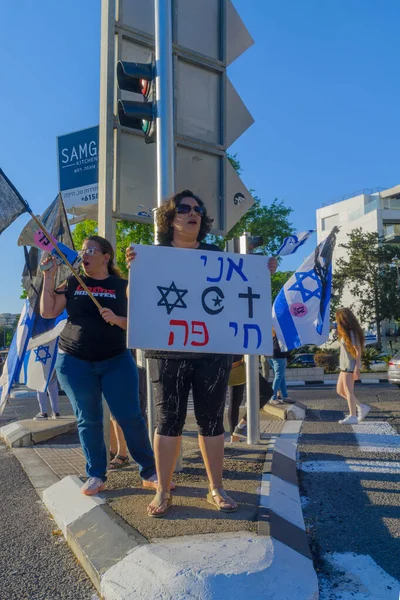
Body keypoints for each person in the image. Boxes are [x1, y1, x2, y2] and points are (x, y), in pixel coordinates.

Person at [126, 190, 277, 518]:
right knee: (169, 421)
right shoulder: (153, 256)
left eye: (197, 209)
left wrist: (263, 271)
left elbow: (240, 295)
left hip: (213, 353)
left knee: (212, 420)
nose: (192, 213)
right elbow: (135, 300)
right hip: (168, 351)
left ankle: (216, 487)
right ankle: (163, 490)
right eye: (183, 209)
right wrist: (134, 272)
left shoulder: (217, 255)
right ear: (170, 217)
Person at [40, 235, 157, 495]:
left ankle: (149, 471)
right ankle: (95, 474)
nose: (84, 255)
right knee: (88, 420)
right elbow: (48, 312)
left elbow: (142, 321)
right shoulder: (72, 282)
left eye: (91, 250)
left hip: (116, 360)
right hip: (74, 362)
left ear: (106, 257)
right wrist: (49, 276)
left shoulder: (121, 285)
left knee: (130, 417)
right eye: (83, 251)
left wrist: (117, 319)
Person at [336, 307, 370, 424]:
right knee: (340, 391)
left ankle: (353, 416)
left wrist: (357, 367)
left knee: (349, 391)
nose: (338, 322)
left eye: (339, 319)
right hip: (344, 366)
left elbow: (358, 351)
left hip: (350, 366)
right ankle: (361, 406)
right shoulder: (345, 332)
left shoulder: (352, 333)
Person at [228, 355, 273, 442]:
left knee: (235, 401)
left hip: (237, 361)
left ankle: (235, 434)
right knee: (267, 392)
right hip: (241, 362)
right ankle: (238, 429)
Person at [268, 328, 291, 404]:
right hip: (279, 354)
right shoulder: (282, 330)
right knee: (279, 376)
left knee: (281, 376)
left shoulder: (272, 330)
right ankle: (273, 397)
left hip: (270, 354)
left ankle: (285, 396)